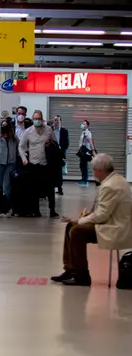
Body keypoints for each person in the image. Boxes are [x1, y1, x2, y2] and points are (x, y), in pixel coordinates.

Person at [52, 154, 132, 287]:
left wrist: (81, 221)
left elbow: (101, 215)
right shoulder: (116, 180)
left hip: (114, 227)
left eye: (94, 170)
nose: (94, 173)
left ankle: (81, 276)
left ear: (100, 170)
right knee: (70, 226)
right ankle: (71, 269)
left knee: (77, 230)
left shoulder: (110, 186)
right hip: (112, 222)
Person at [18, 109, 60, 218]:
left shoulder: (49, 130)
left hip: (46, 164)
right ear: (32, 120)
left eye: (39, 119)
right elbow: (21, 146)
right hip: (33, 164)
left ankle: (52, 210)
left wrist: (50, 144)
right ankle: (36, 210)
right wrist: (24, 158)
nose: (37, 121)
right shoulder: (28, 131)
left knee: (50, 188)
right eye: (35, 119)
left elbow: (56, 144)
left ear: (42, 119)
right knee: (34, 189)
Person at [0, 119, 19, 201]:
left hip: (11, 164)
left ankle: (7, 203)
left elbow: (18, 150)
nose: (4, 127)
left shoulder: (14, 138)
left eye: (6, 125)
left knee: (7, 184)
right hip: (0, 164)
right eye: (2, 125)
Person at [53, 115, 69, 195]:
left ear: (60, 121)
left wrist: (63, 152)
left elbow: (67, 143)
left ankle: (59, 188)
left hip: (59, 154)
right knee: (51, 171)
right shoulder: (50, 130)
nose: (56, 122)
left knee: (59, 172)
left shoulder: (64, 131)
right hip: (51, 153)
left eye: (57, 120)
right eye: (55, 120)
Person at [77, 119, 94, 186]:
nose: (82, 125)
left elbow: (90, 142)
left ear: (87, 125)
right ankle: (83, 179)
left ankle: (85, 180)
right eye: (82, 123)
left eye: (84, 124)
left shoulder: (88, 133)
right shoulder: (83, 132)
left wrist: (93, 151)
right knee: (82, 165)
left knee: (84, 166)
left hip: (85, 152)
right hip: (81, 152)